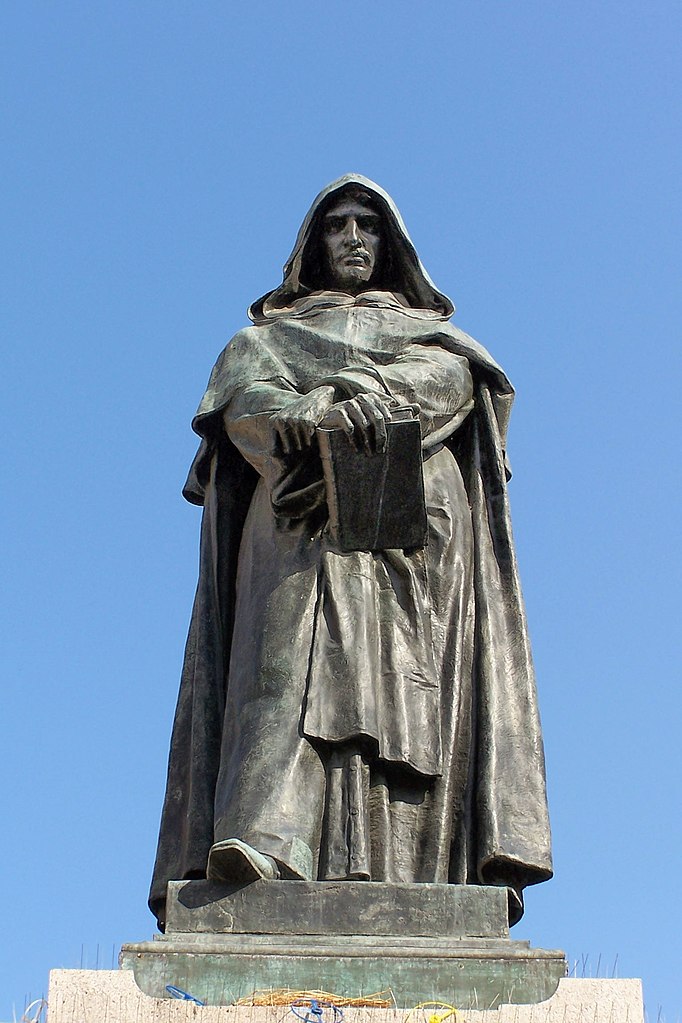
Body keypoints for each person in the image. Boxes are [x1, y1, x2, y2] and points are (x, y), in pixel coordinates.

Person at [149, 174, 552, 932]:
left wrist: (363, 391)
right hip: (296, 518)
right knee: (280, 671)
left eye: (368, 226)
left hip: (410, 535)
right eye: (338, 226)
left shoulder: (434, 340)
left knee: (401, 693)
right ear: (314, 244)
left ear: (392, 245)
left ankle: (417, 868)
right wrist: (312, 417)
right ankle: (263, 840)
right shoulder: (263, 340)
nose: (354, 239)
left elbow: (451, 382)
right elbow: (243, 401)